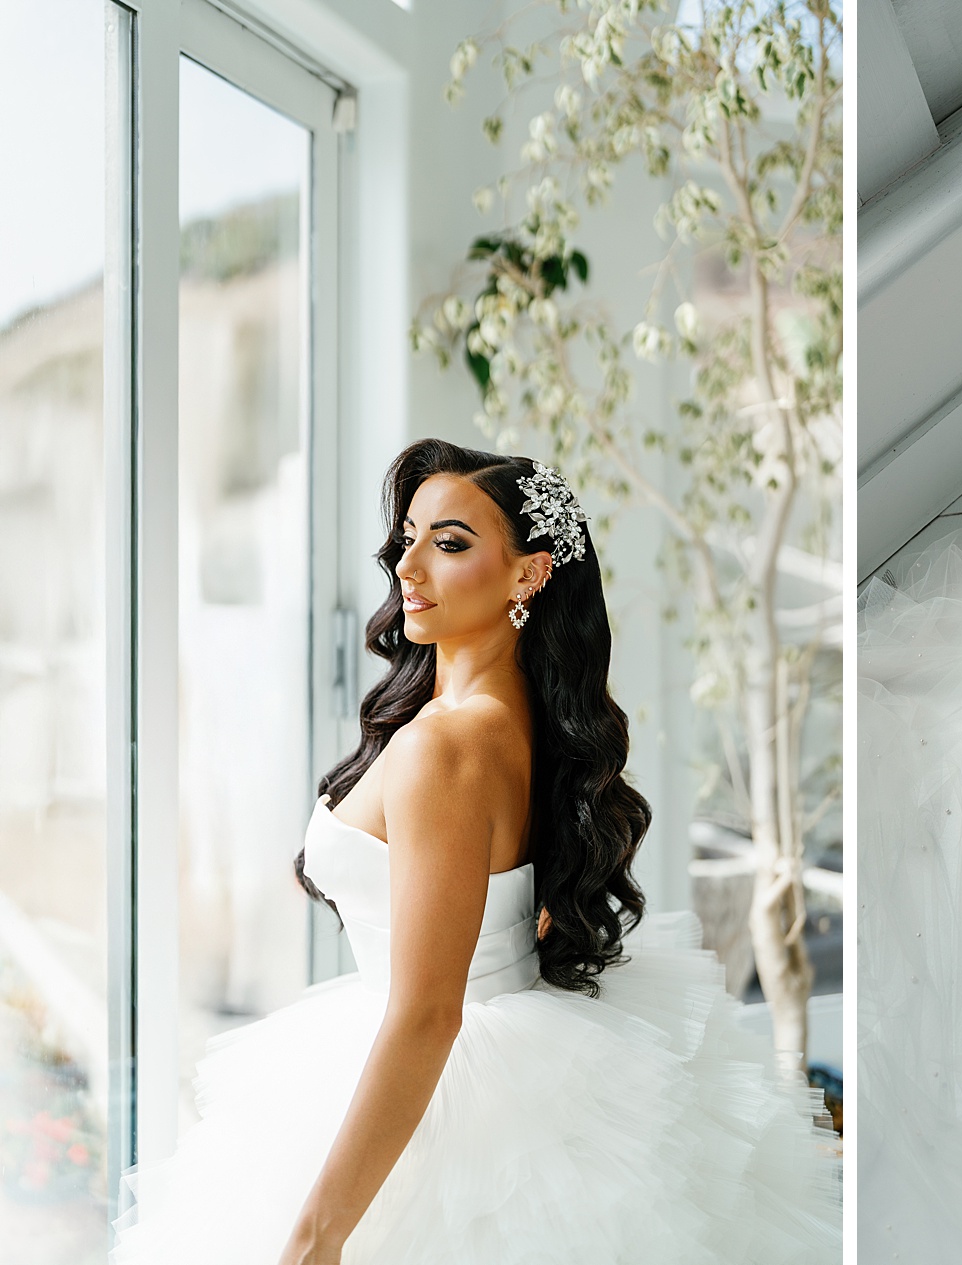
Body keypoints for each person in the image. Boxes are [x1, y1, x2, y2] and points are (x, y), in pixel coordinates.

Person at [112, 439, 840, 1263]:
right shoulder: (514, 717)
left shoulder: (447, 747)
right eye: (409, 537)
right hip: (508, 1065)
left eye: (450, 543)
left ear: (528, 574)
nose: (408, 565)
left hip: (449, 1090)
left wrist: (317, 1237)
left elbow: (429, 1014)